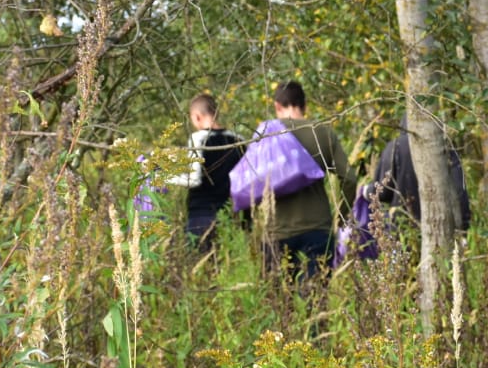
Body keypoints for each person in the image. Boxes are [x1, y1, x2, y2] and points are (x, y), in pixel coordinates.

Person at [259, 81, 356, 279]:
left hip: (277, 230)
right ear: (305, 105)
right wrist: (341, 217)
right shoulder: (322, 132)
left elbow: (250, 182)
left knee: (279, 303)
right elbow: (350, 179)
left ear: (277, 106)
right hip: (318, 226)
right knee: (316, 299)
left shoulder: (266, 134)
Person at [168, 92, 245, 252]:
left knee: (201, 264)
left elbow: (194, 180)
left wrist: (165, 177)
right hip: (234, 215)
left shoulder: (199, 139)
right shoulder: (239, 139)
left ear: (197, 117)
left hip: (202, 215)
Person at [374, 118, 472, 231]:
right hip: (440, 228)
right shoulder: (444, 146)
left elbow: (382, 193)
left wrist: (365, 191)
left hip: (402, 229)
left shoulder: (394, 147)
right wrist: (463, 224)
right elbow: (459, 189)